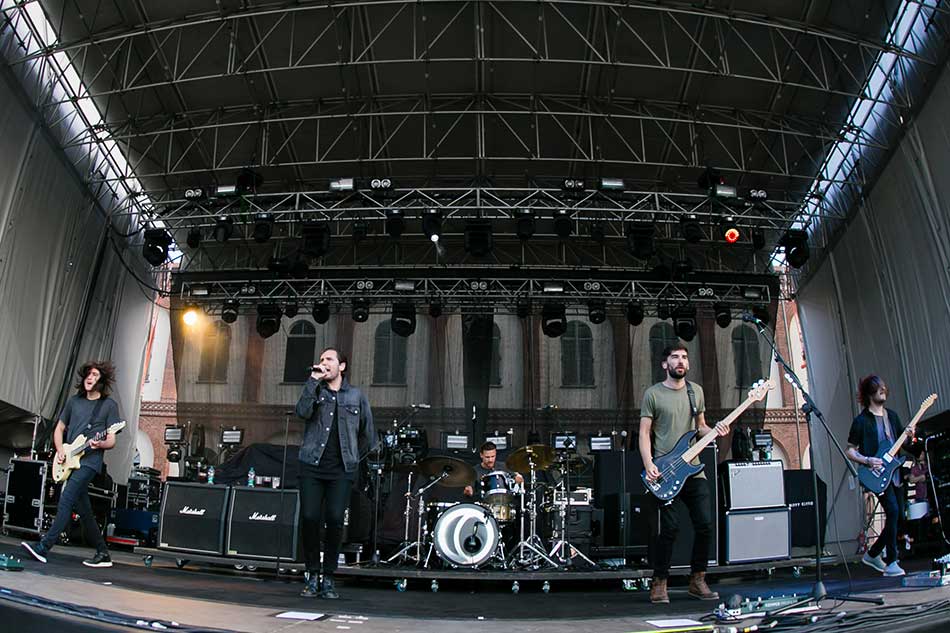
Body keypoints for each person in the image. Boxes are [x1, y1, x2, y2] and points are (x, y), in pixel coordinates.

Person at [639, 344, 728, 604]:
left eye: (685, 357)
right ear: (664, 364)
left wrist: (715, 430)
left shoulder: (695, 392)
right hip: (665, 470)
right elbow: (644, 432)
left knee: (705, 524)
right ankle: (659, 582)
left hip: (692, 469)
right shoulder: (653, 394)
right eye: (675, 357)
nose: (681, 361)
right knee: (669, 528)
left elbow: (700, 427)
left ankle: (698, 579)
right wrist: (648, 463)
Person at [22, 361, 121, 568]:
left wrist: (100, 443)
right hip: (70, 457)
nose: (90, 378)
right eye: (88, 374)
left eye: (95, 375)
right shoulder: (74, 402)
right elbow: (59, 429)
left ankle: (43, 547)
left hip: (89, 462)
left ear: (101, 381)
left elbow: (111, 440)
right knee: (84, 510)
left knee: (66, 498)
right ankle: (103, 552)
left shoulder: (108, 405)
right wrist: (60, 450)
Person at [295, 348, 376, 599]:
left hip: (341, 470)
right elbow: (302, 412)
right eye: (321, 359)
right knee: (309, 518)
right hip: (312, 465)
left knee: (335, 520)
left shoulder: (356, 396)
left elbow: (368, 434)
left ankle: (328, 577)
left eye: (329, 359)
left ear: (341, 366)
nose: (323, 362)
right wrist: (313, 381)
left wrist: (352, 457)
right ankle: (312, 574)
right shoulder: (315, 390)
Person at [847, 374, 913, 577]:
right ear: (869, 393)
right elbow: (850, 450)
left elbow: (903, 444)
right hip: (876, 474)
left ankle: (873, 554)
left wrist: (909, 437)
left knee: (899, 516)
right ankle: (892, 561)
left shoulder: (892, 416)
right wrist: (868, 460)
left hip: (894, 473)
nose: (883, 389)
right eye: (878, 387)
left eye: (884, 386)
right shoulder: (861, 421)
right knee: (893, 510)